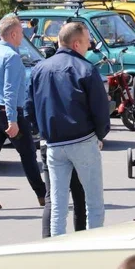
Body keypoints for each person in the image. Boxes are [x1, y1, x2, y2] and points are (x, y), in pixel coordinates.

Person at [29, 22, 111, 236]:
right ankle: (93, 248)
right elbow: (101, 108)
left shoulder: (39, 69)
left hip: (53, 144)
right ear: (76, 44)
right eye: (86, 42)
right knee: (93, 203)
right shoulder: (85, 68)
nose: (89, 46)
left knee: (58, 205)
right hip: (83, 140)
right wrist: (100, 134)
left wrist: (43, 131)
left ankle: (56, 251)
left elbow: (29, 106)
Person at [0, 13, 45, 210]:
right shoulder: (12, 56)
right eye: (21, 33)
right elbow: (10, 90)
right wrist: (12, 120)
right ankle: (43, 195)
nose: (23, 36)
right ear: (13, 34)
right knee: (28, 154)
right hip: (8, 112)